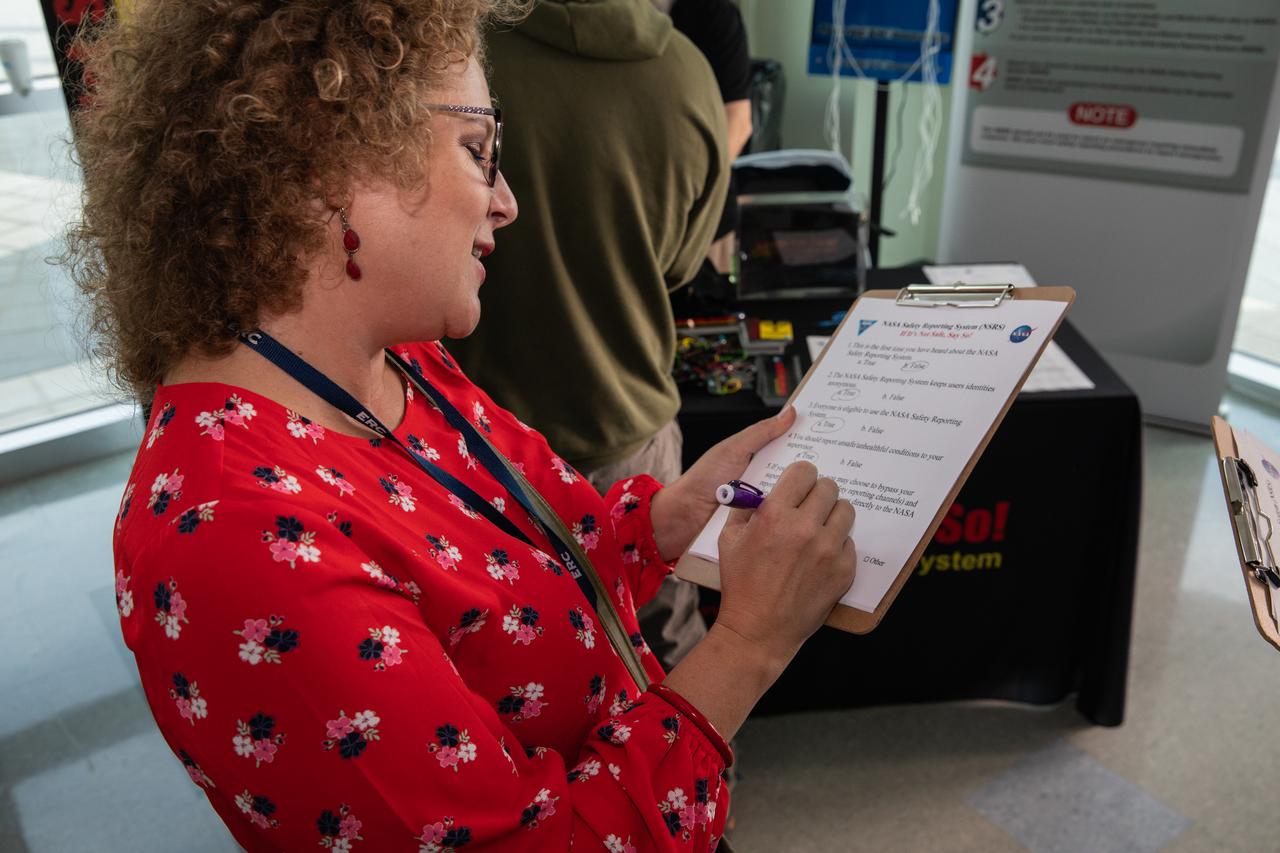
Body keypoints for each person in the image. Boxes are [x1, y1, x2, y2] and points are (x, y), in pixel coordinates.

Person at [68, 1, 856, 849]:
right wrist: (747, 646)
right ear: (326, 161)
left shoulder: (395, 364)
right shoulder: (238, 535)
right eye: (479, 151)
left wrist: (657, 525)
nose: (505, 202)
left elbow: (508, 592)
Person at [447, 0, 729, 672]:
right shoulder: (689, 75)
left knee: (501, 665)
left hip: (478, 441)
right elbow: (683, 265)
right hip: (631, 432)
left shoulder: (461, 58)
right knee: (665, 647)